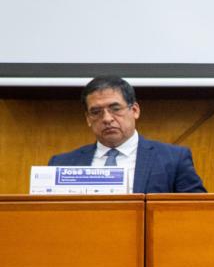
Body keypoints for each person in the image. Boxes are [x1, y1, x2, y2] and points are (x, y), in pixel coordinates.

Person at [49, 76, 206, 193]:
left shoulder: (172, 159)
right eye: (96, 112)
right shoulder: (61, 164)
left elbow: (196, 211)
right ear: (88, 119)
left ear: (135, 110)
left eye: (115, 109)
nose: (107, 119)